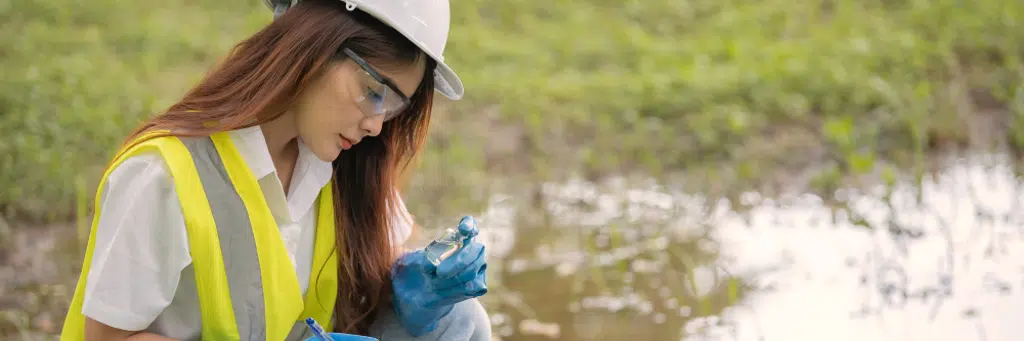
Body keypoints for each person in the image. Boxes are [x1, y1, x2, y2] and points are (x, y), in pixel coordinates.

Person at [58, 0, 491, 340]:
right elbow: (107, 337)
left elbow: (379, 270)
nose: (377, 125)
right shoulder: (163, 176)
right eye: (374, 92)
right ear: (314, 48)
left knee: (459, 322)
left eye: (395, 106)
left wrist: (409, 287)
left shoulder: (341, 165)